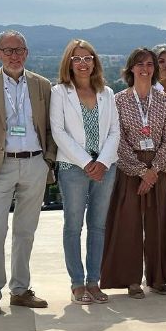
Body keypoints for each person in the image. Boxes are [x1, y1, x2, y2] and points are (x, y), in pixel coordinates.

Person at [0, 29, 57, 315]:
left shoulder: (43, 85)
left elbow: (49, 128)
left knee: (25, 231)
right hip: (0, 165)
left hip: (34, 163)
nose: (14, 55)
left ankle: (20, 290)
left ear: (27, 53)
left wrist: (49, 161)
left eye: (19, 50)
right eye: (8, 50)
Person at [100, 47, 166, 298]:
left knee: (160, 224)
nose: (145, 69)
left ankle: (158, 278)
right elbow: (117, 140)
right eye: (140, 64)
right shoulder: (119, 100)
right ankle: (131, 280)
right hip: (130, 166)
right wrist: (139, 171)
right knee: (129, 224)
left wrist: (153, 170)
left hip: (160, 167)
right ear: (131, 69)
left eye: (149, 64)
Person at [50, 39, 120, 305]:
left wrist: (101, 162)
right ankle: (77, 284)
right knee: (73, 226)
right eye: (76, 59)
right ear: (69, 62)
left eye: (87, 58)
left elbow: (115, 131)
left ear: (95, 62)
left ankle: (94, 281)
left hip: (105, 167)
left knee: (98, 226)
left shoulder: (107, 93)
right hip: (72, 168)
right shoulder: (59, 92)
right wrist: (86, 163)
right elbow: (58, 132)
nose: (82, 63)